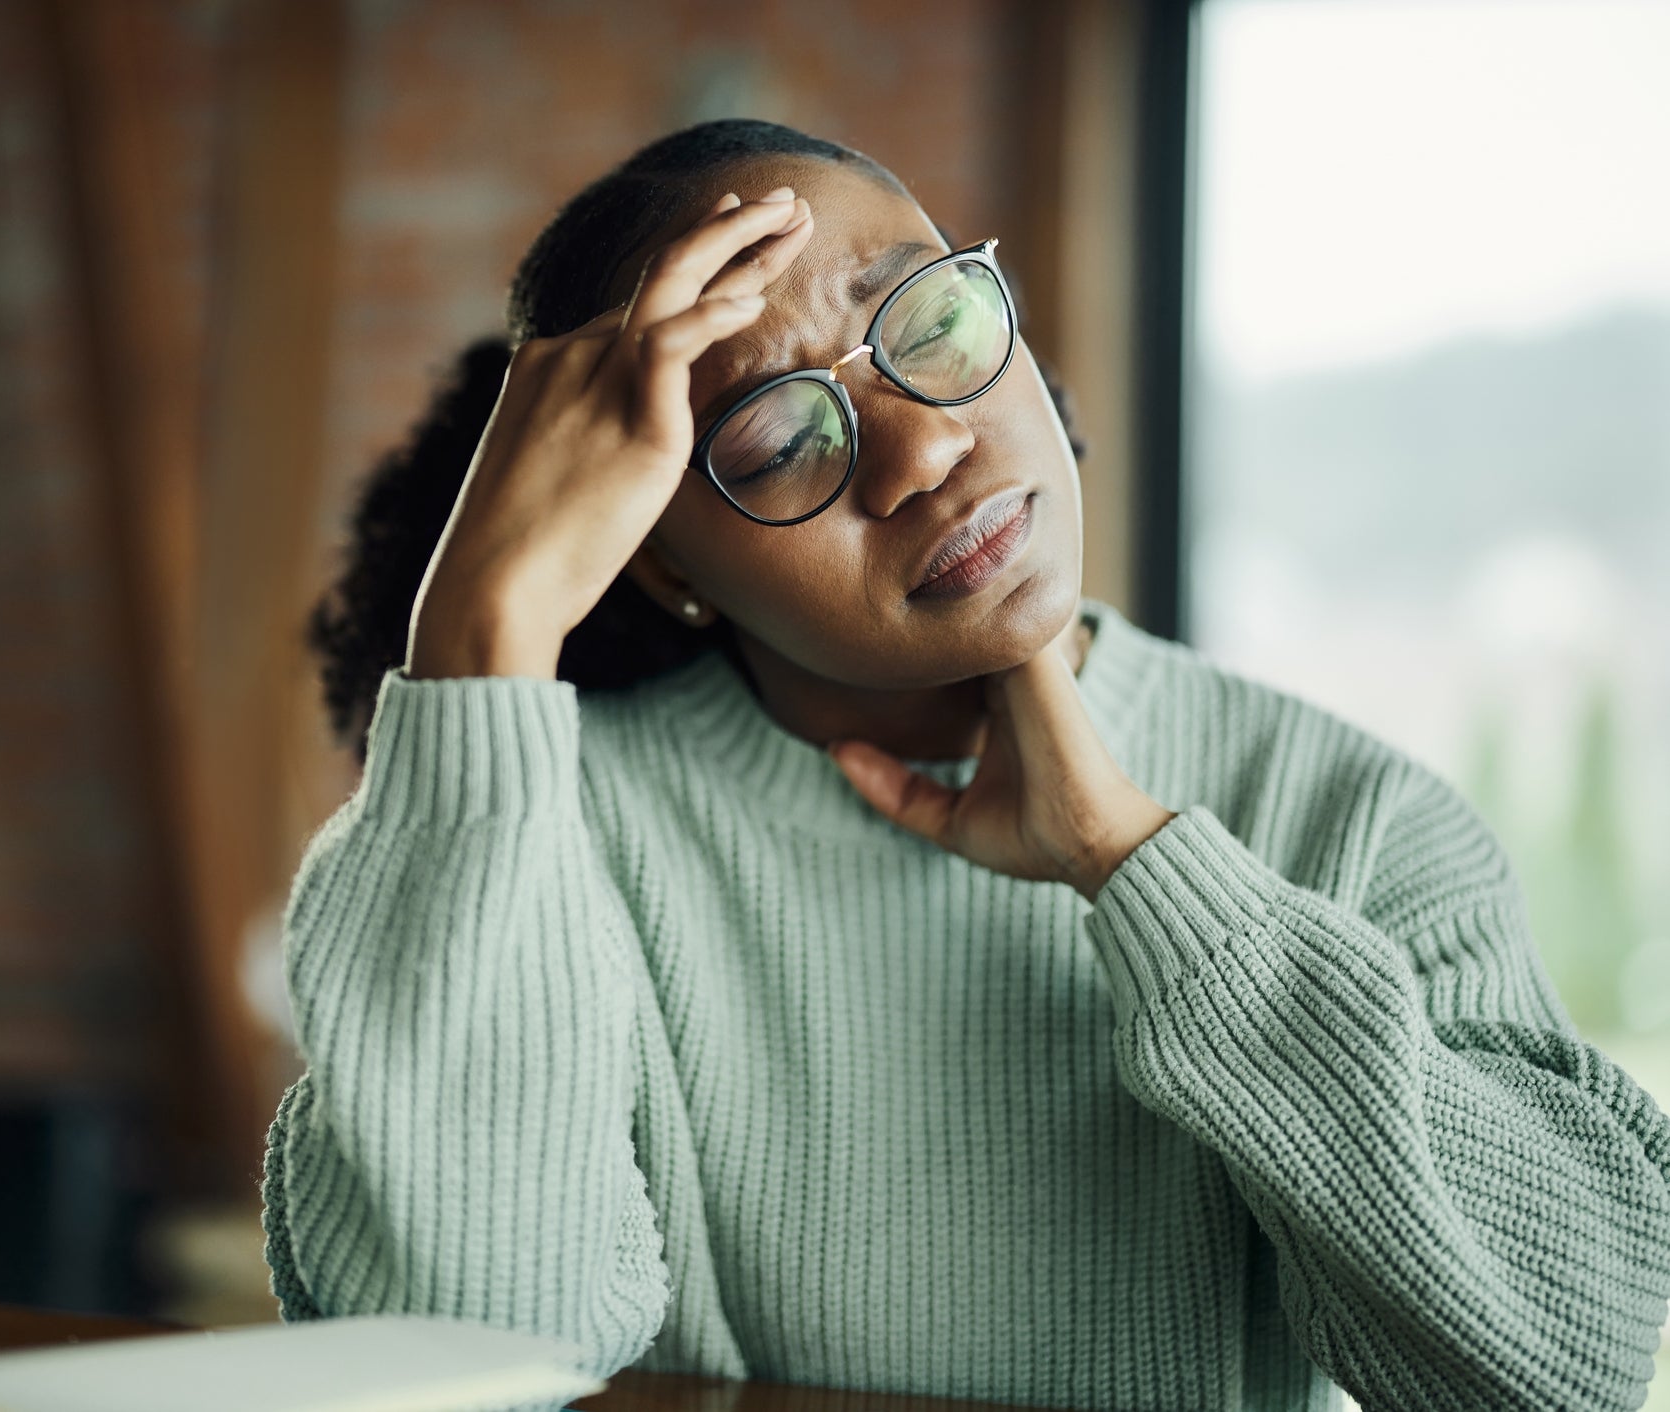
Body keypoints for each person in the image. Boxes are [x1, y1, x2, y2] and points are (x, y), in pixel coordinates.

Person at [263, 119, 1670, 1411]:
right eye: (772, 432)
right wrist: (480, 630)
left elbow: (1566, 1366)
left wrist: (1140, 868)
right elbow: (462, 1353)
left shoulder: (1343, 814)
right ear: (665, 564)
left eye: (928, 320)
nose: (924, 444)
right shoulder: (519, 845)